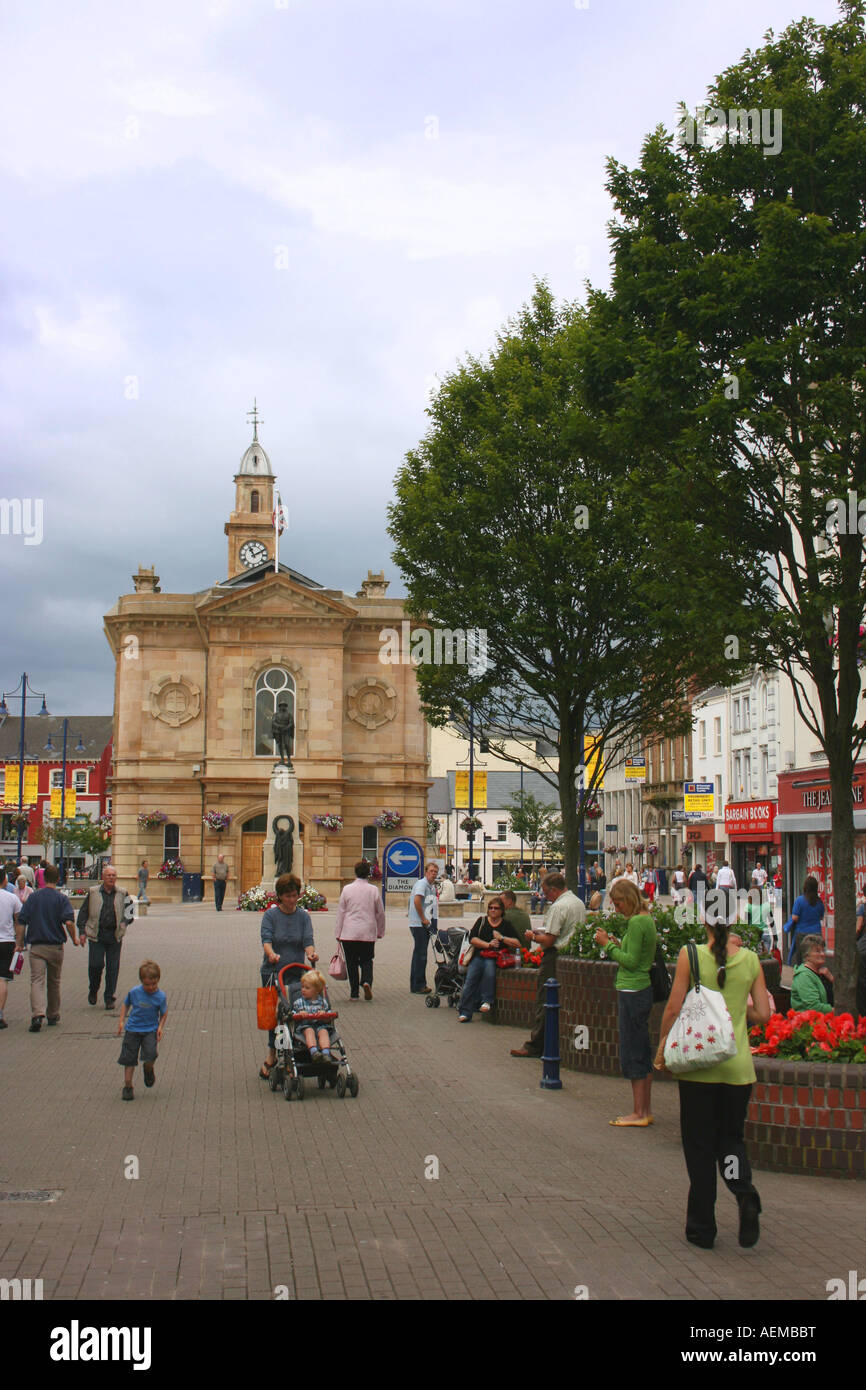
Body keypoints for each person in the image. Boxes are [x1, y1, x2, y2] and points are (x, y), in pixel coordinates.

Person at [653, 902, 772, 1250]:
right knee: (731, 1142)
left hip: (699, 1067)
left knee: (700, 1147)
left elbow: (674, 1007)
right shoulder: (750, 960)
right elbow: (763, 1013)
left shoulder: (690, 954)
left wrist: (662, 1046)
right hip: (738, 1069)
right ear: (733, 918)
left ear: (703, 920)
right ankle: (743, 1192)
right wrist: (734, 1009)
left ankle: (702, 1227)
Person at [594, 880, 657, 1125]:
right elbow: (638, 955)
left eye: (618, 902)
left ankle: (638, 1112)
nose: (616, 908)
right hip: (642, 987)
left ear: (628, 899)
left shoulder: (637, 922)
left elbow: (630, 962)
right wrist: (619, 943)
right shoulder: (646, 920)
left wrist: (607, 945)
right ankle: (645, 1109)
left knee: (632, 1050)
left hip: (632, 988)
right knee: (641, 1048)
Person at [511, 873, 586, 1058]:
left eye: (545, 892)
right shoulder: (577, 902)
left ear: (554, 890)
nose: (544, 896)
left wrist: (533, 936)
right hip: (571, 955)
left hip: (554, 957)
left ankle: (535, 1045)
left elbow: (550, 939)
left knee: (544, 1000)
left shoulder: (558, 906)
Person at [259, 873, 318, 1079]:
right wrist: (271, 954)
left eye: (295, 895)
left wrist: (311, 953)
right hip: (273, 972)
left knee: (296, 1013)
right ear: (280, 897)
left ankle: (295, 1052)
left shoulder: (303, 916)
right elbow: (266, 940)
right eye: (288, 896)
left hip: (295, 972)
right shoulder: (271, 916)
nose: (292, 900)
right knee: (274, 1017)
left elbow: (308, 940)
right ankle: (273, 1053)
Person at [15, 863, 83, 1031]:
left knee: (36, 981)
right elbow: (68, 921)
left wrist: (19, 943)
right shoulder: (61, 899)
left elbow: (22, 922)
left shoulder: (34, 898)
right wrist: (73, 938)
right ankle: (53, 1013)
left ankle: (37, 1014)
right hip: (55, 947)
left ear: (43, 879)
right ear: (58, 879)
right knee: (54, 982)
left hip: (37, 946)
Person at [77, 865, 135, 1010]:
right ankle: (93, 989)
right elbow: (83, 913)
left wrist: (124, 922)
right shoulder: (93, 892)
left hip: (114, 935)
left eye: (113, 875)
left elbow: (130, 912)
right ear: (103, 877)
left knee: (113, 968)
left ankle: (109, 997)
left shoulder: (122, 893)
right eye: (108, 875)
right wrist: (82, 932)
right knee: (95, 965)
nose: (111, 878)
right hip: (96, 935)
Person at [458, 897, 522, 1022]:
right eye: (490, 908)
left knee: (489, 971)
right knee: (470, 980)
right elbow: (472, 939)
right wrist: (488, 945)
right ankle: (465, 1011)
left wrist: (502, 938)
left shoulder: (506, 925)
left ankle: (487, 1000)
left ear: (501, 911)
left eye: (496, 908)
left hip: (494, 957)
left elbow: (517, 943)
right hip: (479, 955)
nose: (492, 910)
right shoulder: (481, 921)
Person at [116, 959, 167, 1101]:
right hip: (132, 1030)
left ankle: (148, 1069)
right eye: (147, 984)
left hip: (150, 1030)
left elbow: (164, 1012)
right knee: (129, 1059)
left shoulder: (160, 996)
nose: (151, 987)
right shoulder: (135, 992)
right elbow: (125, 1005)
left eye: (154, 984)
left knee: (151, 1054)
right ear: (141, 981)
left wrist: (160, 1027)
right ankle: (128, 1086)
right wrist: (121, 1021)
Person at [334, 859, 386, 1000]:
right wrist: (380, 931)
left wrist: (338, 933)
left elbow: (341, 912)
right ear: (368, 874)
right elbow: (380, 913)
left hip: (349, 932)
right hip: (367, 932)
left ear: (355, 873)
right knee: (367, 960)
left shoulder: (347, 889)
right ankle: (366, 981)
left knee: (351, 962)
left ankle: (354, 993)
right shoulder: (373, 890)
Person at [408, 862, 439, 995]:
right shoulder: (422, 884)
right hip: (418, 923)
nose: (433, 874)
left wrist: (433, 922)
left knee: (419, 953)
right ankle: (419, 984)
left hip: (424, 923)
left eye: (435, 872)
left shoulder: (431, 887)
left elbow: (430, 905)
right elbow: (416, 901)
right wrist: (423, 918)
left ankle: (416, 983)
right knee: (421, 954)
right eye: (431, 871)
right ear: (426, 872)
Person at [292, 969, 337, 1060]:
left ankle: (325, 1053)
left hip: (321, 1025)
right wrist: (299, 1014)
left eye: (307, 988)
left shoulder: (323, 1002)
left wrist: (325, 1015)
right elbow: (292, 1013)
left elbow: (329, 1014)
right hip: (305, 1025)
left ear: (317, 991)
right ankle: (314, 1052)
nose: (303, 990)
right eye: (303, 987)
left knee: (324, 1033)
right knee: (309, 1032)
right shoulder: (299, 1002)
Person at [785, 876, 825, 965]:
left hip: (802, 934)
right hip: (817, 933)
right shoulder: (819, 902)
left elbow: (795, 917)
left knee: (802, 960)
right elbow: (821, 917)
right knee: (816, 959)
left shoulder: (800, 900)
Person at [790, 935, 834, 1014]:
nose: (822, 954)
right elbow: (814, 1007)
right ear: (807, 956)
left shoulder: (822, 973)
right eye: (817, 951)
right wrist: (837, 1010)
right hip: (809, 1023)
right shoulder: (804, 976)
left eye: (823, 950)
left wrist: (831, 978)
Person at [0, 868, 21, 1029]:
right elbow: (20, 920)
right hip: (6, 942)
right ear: (5, 880)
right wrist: (19, 942)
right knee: (2, 979)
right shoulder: (12, 898)